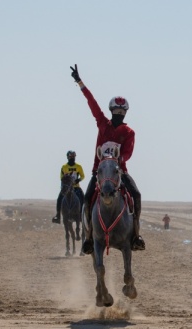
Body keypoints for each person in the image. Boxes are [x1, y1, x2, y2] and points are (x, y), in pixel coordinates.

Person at [69, 64, 145, 255]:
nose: (119, 116)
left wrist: (120, 159)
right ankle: (88, 238)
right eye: (116, 113)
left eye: (122, 113)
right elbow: (92, 104)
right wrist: (80, 83)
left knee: (136, 195)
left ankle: (136, 235)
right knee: (86, 199)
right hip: (99, 173)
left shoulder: (129, 132)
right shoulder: (103, 124)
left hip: (120, 173)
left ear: (125, 113)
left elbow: (128, 153)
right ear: (111, 112)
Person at [52, 151, 85, 224]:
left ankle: (83, 215)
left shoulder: (78, 166)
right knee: (59, 198)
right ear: (67, 157)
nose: (72, 158)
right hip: (67, 188)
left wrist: (78, 180)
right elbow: (61, 177)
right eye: (71, 157)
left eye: (73, 157)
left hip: (76, 187)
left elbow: (83, 176)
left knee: (83, 198)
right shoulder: (64, 167)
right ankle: (58, 216)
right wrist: (66, 180)